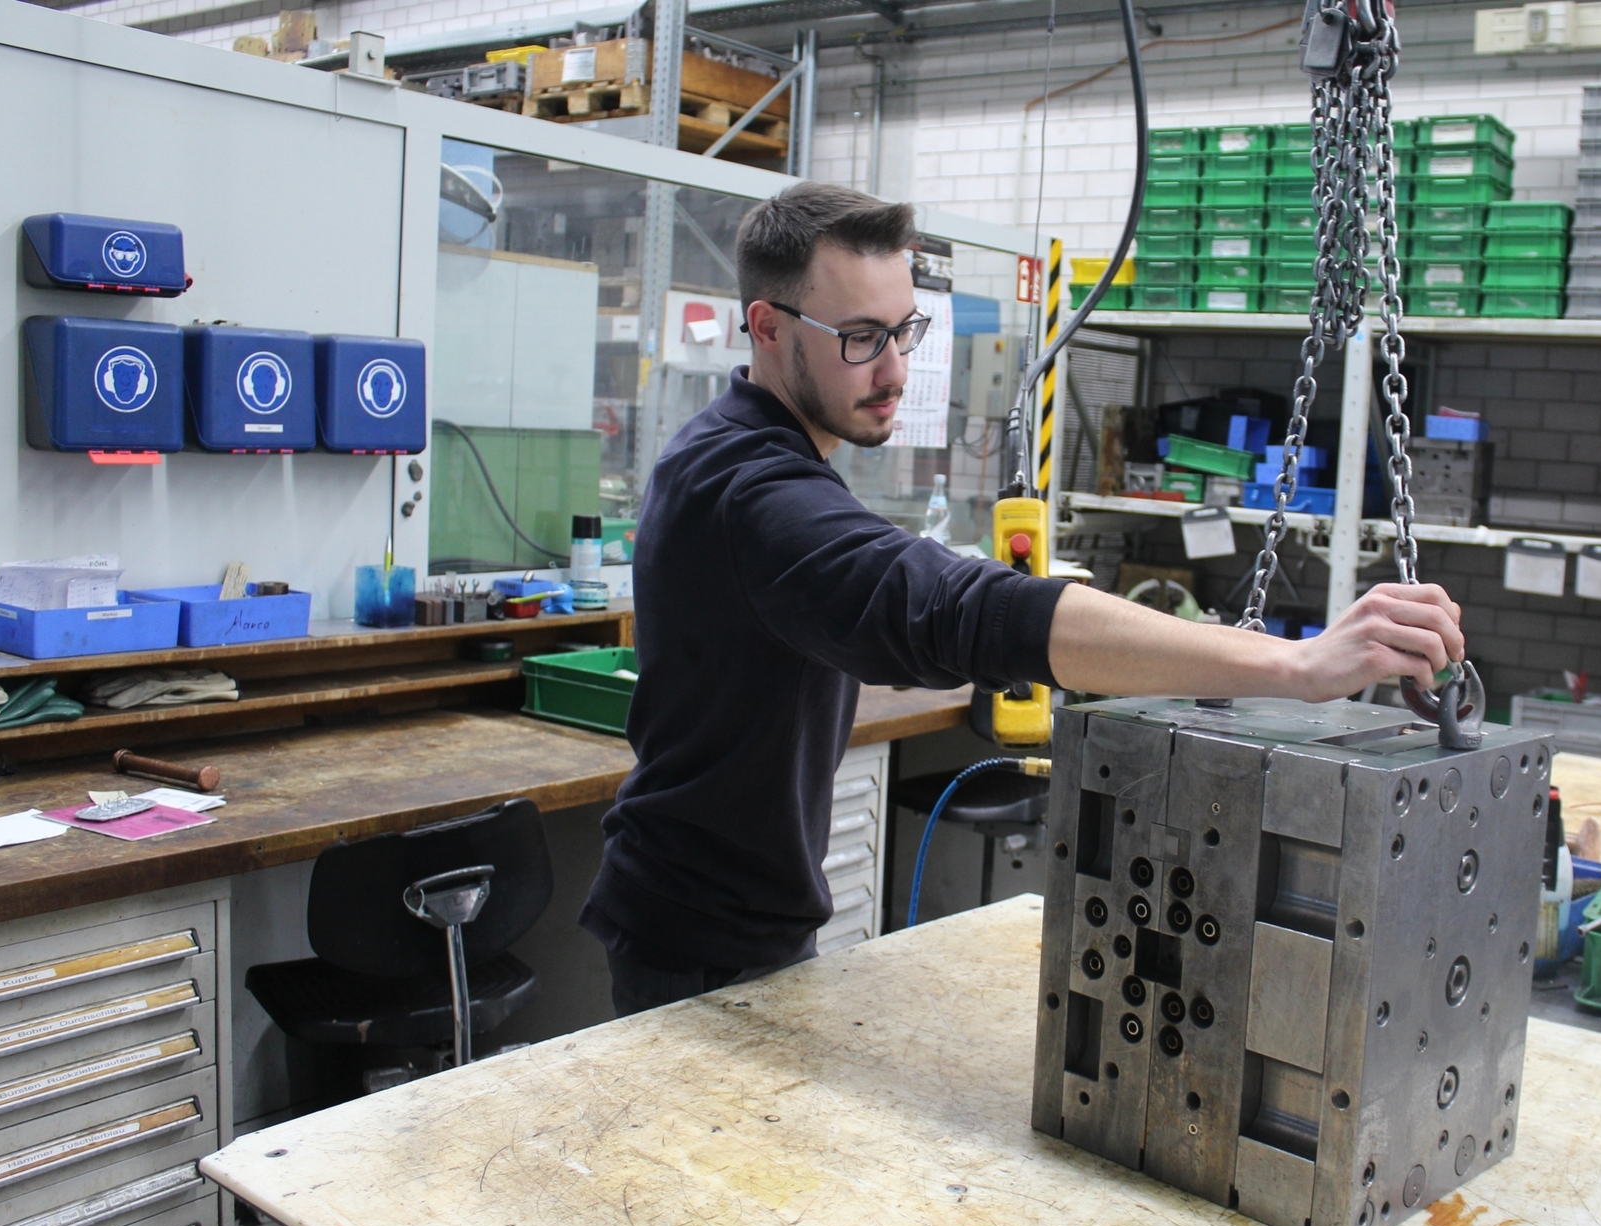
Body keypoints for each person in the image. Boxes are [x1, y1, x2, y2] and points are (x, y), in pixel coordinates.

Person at [583, 182, 1464, 1017]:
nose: (893, 369)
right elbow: (957, 607)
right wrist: (1296, 665)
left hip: (723, 917)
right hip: (701, 945)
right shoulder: (747, 488)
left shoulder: (746, 452)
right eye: (859, 337)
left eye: (903, 332)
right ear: (768, 327)